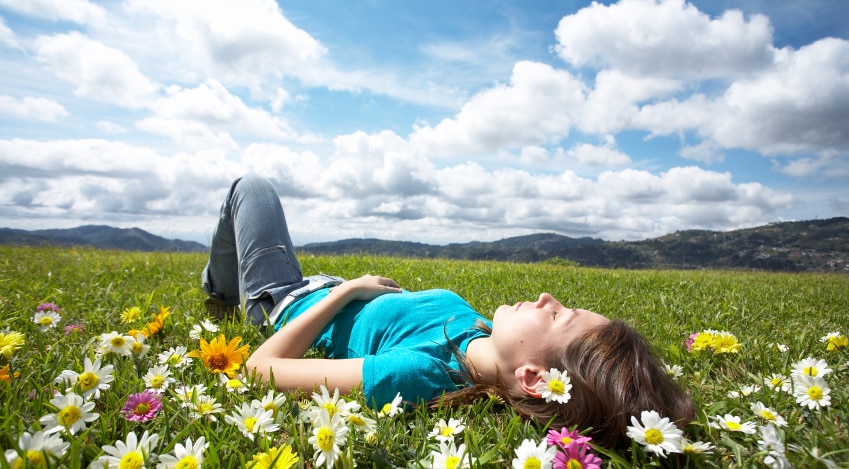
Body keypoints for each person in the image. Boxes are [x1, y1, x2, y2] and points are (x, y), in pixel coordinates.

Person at [202, 174, 694, 448]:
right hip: (326, 288)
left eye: (557, 316)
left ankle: (221, 293)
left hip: (286, 300)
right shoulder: (484, 335)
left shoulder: (419, 373)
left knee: (251, 188)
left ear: (533, 378)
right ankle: (222, 285)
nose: (548, 299)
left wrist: (346, 292)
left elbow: (259, 370)